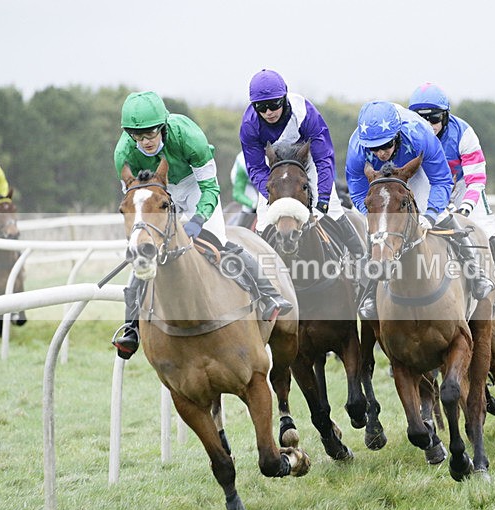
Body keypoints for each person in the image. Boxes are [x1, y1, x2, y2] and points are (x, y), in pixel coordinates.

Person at [112, 91, 292, 359]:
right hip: (156, 192)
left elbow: (210, 187)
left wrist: (197, 219)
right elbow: (132, 197)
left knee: (217, 242)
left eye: (150, 133)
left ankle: (268, 294)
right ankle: (131, 326)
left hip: (195, 186)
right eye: (137, 136)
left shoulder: (189, 136)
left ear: (162, 126)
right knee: (143, 252)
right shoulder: (123, 153)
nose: (145, 142)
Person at [346, 100, 495, 319]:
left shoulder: (419, 135)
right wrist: (376, 216)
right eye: (374, 148)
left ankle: (476, 273)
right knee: (376, 232)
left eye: (386, 145)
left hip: (417, 171)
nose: (381, 153)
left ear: (397, 136)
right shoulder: (357, 147)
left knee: (443, 217)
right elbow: (358, 190)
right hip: (379, 182)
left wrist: (431, 214)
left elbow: (442, 181)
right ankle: (369, 293)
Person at [408, 82, 495, 309]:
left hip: (462, 186)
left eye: (434, 119)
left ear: (445, 116)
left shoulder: (463, 133)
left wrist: (465, 209)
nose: (429, 125)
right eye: (421, 120)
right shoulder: (408, 136)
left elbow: (476, 178)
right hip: (429, 188)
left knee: (488, 231)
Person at [239, 69, 364, 259]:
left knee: (333, 207)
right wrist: (273, 194)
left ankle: (361, 260)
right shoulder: (249, 125)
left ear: (284, 98)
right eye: (261, 107)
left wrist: (322, 196)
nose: (268, 112)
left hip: (307, 162)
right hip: (274, 169)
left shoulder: (304, 112)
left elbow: (324, 158)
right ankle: (261, 274)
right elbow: (256, 167)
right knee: (263, 219)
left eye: (274, 104)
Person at [228, 151, 258, 229]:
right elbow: (237, 194)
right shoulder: (243, 163)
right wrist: (253, 204)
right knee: (255, 200)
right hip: (245, 182)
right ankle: (239, 231)